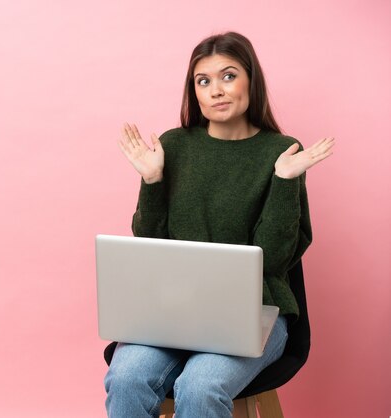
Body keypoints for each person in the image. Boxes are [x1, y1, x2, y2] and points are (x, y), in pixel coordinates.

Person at [104, 32, 334, 418]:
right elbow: (150, 247)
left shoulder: (283, 152)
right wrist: (152, 183)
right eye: (203, 81)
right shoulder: (175, 146)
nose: (216, 90)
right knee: (126, 377)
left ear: (251, 81)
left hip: (253, 316)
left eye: (228, 76)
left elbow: (275, 261)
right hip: (171, 314)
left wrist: (283, 181)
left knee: (201, 386)